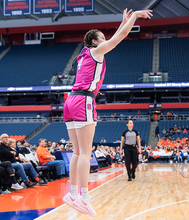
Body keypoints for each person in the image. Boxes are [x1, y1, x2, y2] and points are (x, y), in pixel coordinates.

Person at [61, 8, 153, 217]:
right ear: (95, 42)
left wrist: (125, 21)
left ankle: (72, 193)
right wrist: (135, 17)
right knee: (85, 152)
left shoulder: (83, 55)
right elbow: (120, 37)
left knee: (76, 152)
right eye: (102, 38)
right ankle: (84, 197)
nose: (105, 40)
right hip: (84, 100)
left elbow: (116, 34)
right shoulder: (96, 51)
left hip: (70, 100)